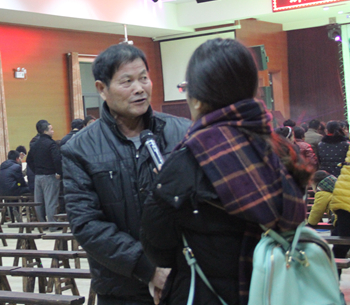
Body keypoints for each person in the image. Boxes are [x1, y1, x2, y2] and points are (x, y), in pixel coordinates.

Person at [139, 38, 309, 305]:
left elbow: (157, 248)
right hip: (279, 291)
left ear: (197, 99)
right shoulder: (283, 150)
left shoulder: (187, 161)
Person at [62, 44, 191, 305]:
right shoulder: (79, 149)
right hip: (121, 288)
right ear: (102, 89)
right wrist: (149, 269)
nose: (139, 88)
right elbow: (86, 223)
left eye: (143, 78)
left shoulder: (183, 132)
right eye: (127, 81)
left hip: (185, 281)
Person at [28, 120, 62, 225]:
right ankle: (52, 224)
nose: (53, 131)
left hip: (38, 176)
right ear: (45, 131)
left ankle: (42, 224)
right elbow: (57, 159)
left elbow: (29, 160)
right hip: (50, 175)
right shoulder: (51, 144)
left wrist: (36, 170)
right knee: (51, 201)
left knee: (39, 202)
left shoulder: (35, 144)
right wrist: (59, 172)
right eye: (51, 129)